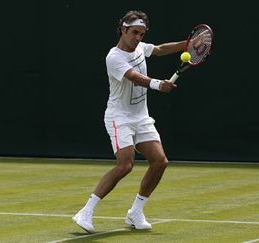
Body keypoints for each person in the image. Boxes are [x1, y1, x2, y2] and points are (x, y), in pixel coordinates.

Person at [72, 10, 187, 233]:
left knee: (160, 161)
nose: (138, 38)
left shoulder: (141, 48)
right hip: (119, 117)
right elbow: (134, 77)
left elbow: (162, 49)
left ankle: (135, 212)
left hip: (141, 117)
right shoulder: (113, 57)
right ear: (123, 30)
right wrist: (157, 84)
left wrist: (189, 43)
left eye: (142, 34)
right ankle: (85, 211)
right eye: (134, 32)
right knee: (126, 164)